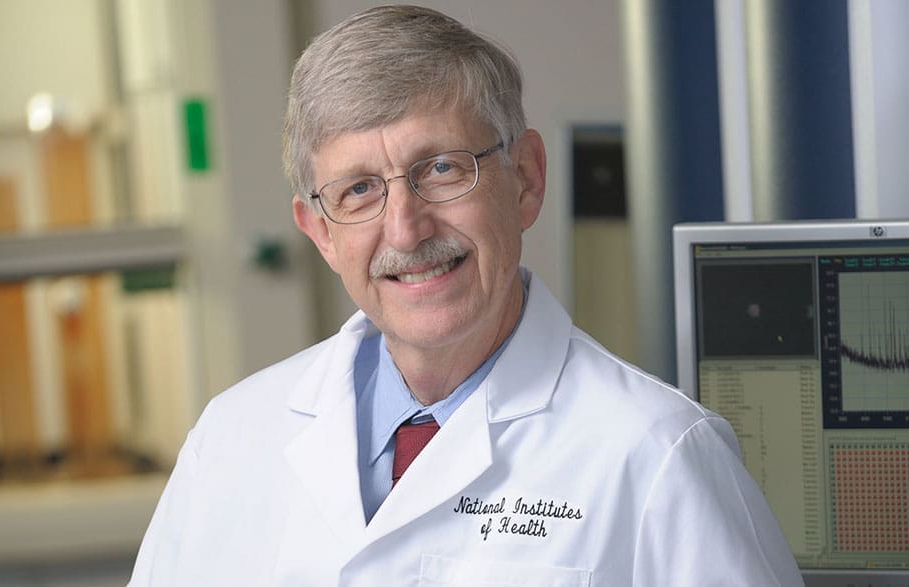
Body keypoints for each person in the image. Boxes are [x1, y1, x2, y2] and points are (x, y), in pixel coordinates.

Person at [129, 5, 803, 585]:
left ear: (526, 179)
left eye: (442, 168)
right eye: (359, 189)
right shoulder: (230, 437)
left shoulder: (658, 453)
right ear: (320, 232)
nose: (406, 227)